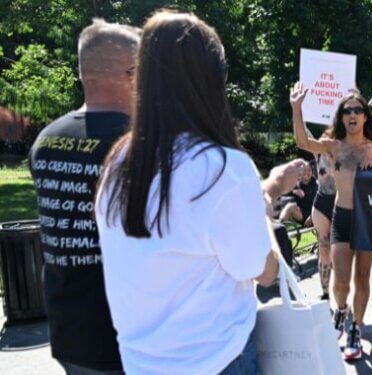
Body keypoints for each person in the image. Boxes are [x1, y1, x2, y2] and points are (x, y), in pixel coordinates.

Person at [93, 11, 300, 374]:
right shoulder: (223, 169)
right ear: (212, 80)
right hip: (219, 360)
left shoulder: (118, 164)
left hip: (142, 363)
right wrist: (267, 199)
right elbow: (264, 271)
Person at [27, 19, 139, 374]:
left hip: (68, 328)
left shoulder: (46, 139)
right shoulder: (134, 143)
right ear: (130, 74)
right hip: (123, 334)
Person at [290, 83, 372, 361]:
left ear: (365, 116)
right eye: (347, 111)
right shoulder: (334, 146)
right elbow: (303, 143)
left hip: (367, 220)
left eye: (357, 110)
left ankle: (356, 330)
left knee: (362, 278)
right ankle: (341, 310)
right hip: (341, 217)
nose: (352, 114)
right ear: (341, 117)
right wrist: (296, 108)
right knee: (341, 281)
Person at [311, 129, 337, 300]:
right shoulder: (318, 154)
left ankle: (341, 291)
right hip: (321, 203)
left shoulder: (342, 154)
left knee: (338, 249)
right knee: (324, 247)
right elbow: (305, 136)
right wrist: (298, 115)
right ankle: (325, 292)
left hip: (338, 203)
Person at [278, 160, 318, 224]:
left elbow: (321, 204)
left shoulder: (316, 184)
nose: (306, 172)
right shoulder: (296, 184)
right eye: (304, 170)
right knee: (289, 207)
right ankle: (279, 225)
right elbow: (282, 192)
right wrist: (293, 191)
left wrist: (311, 216)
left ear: (312, 172)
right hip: (302, 214)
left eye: (309, 170)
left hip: (316, 216)